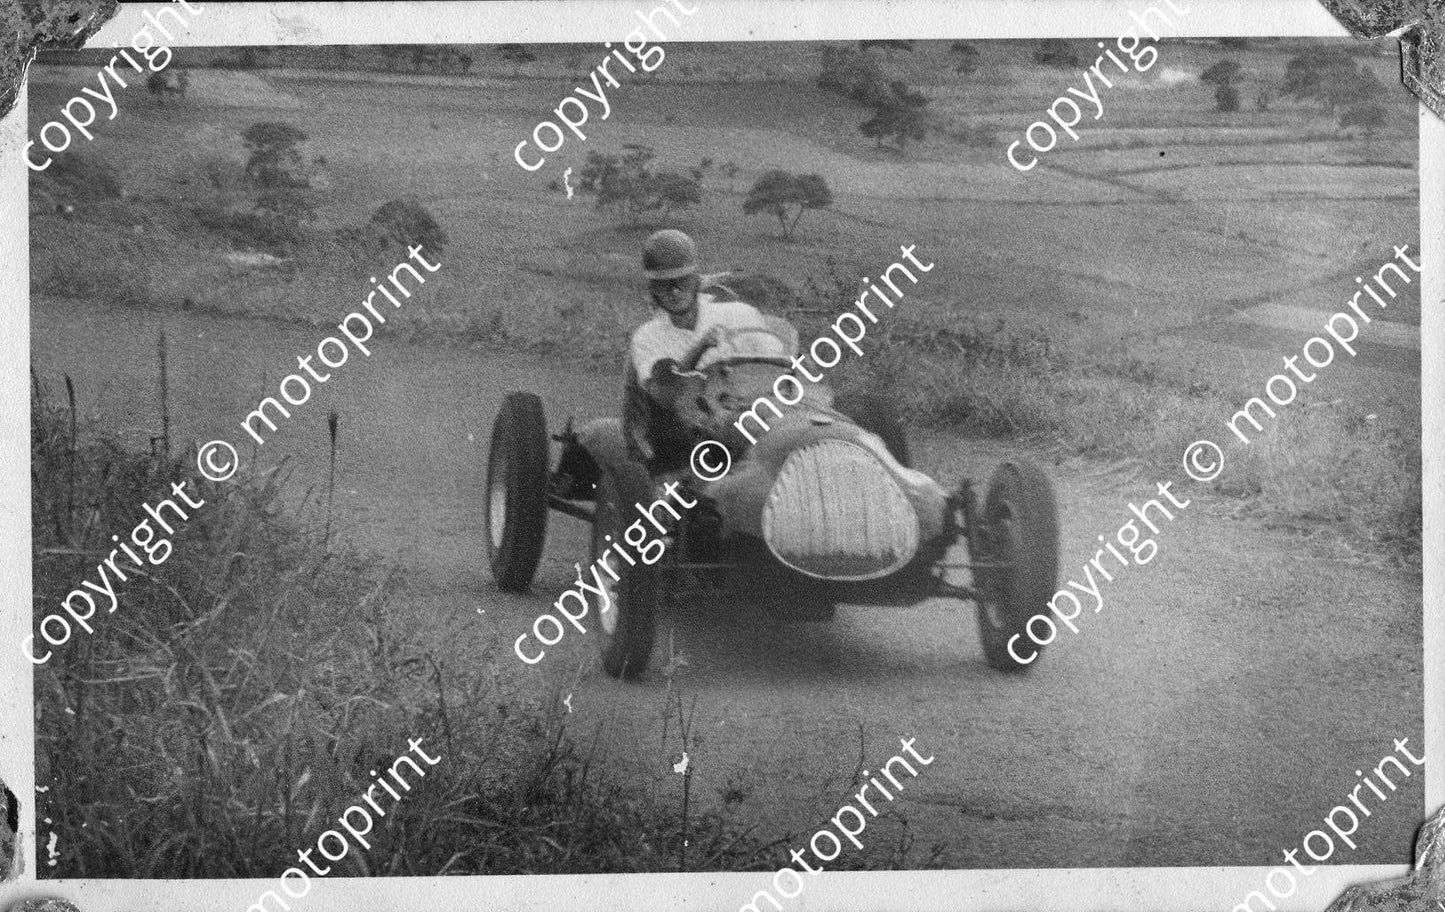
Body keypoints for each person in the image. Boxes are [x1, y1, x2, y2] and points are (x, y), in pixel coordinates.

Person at [626, 229, 784, 470]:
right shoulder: (647, 336)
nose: (675, 291)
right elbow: (664, 395)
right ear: (652, 289)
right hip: (687, 443)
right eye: (663, 285)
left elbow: (778, 364)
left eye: (682, 281)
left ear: (696, 279)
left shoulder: (737, 313)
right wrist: (700, 348)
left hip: (750, 418)